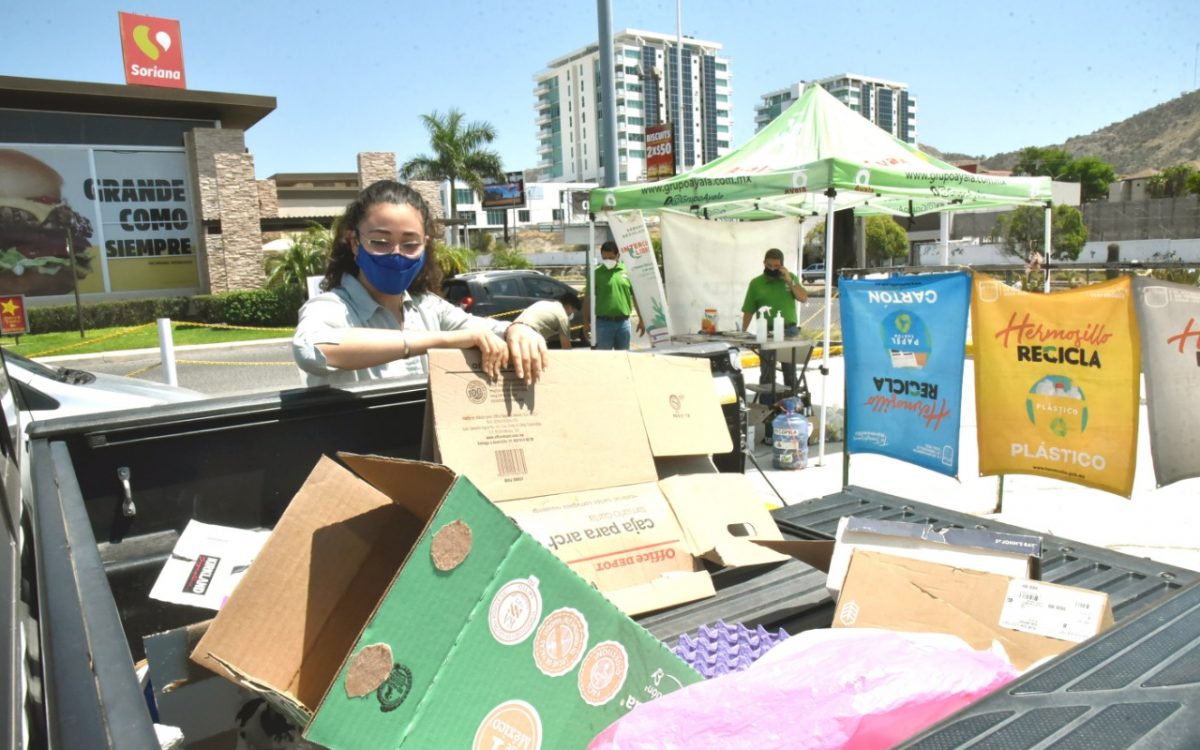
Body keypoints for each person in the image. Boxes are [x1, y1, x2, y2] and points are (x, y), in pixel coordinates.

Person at [293, 180, 548, 387]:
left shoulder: (429, 307)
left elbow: (488, 330)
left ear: (425, 245)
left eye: (410, 244)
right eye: (380, 242)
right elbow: (311, 349)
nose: (396, 253)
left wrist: (518, 329)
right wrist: (443, 341)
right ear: (354, 242)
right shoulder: (330, 306)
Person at [741, 248, 809, 422]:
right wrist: (742, 332)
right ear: (764, 263)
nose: (772, 269)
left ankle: (791, 414)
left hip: (789, 332)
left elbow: (803, 298)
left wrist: (790, 281)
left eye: (776, 266)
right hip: (766, 332)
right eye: (769, 265)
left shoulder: (790, 278)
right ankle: (768, 415)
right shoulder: (756, 283)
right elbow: (748, 310)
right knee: (767, 375)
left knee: (790, 374)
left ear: (782, 265)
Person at [581, 240, 644, 350]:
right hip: (603, 324)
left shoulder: (628, 271)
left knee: (624, 357)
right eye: (604, 258)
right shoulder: (595, 273)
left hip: (624, 324)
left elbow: (636, 297)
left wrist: (642, 319)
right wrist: (586, 322)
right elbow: (588, 299)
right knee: (604, 358)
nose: (607, 261)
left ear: (618, 255)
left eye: (611, 258)